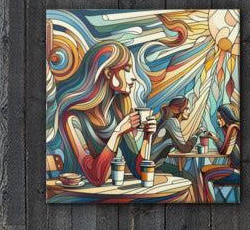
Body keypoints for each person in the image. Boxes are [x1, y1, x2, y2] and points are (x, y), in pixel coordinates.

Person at [51, 41, 156, 187]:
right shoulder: (72, 119)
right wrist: (117, 132)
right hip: (75, 197)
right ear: (107, 73)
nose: (134, 77)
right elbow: (96, 177)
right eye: (126, 69)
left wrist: (146, 137)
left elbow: (137, 170)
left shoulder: (119, 107)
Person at [199, 104, 240, 202]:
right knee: (203, 170)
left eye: (220, 118)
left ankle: (210, 202)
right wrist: (216, 139)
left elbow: (225, 152)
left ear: (227, 117)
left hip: (237, 171)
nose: (217, 120)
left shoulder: (233, 128)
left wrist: (216, 140)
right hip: (234, 168)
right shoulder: (231, 128)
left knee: (206, 176)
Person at [151, 97, 197, 166]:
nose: (189, 112)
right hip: (154, 165)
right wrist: (196, 136)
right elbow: (185, 149)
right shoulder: (172, 122)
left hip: (155, 163)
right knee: (187, 175)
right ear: (180, 110)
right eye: (187, 109)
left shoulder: (169, 122)